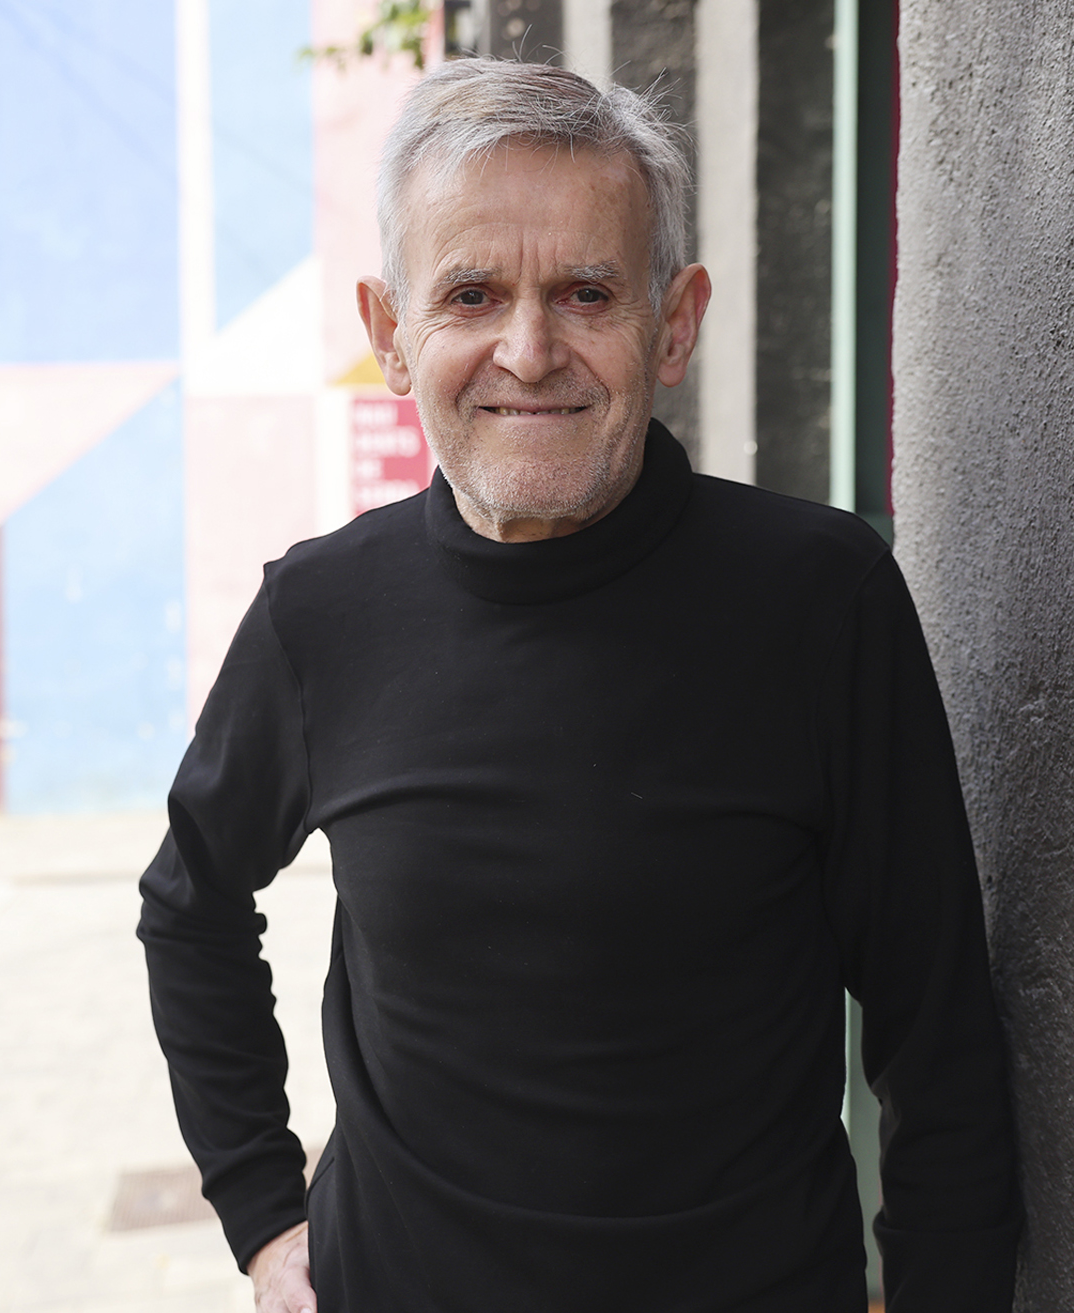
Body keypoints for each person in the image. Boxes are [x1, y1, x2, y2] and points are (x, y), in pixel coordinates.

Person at [138, 59, 1020, 1312]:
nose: (529, 349)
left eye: (586, 292)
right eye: (471, 294)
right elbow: (190, 905)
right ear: (391, 335)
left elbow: (938, 1031)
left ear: (675, 322)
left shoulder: (819, 602)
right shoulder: (321, 615)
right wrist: (265, 1213)